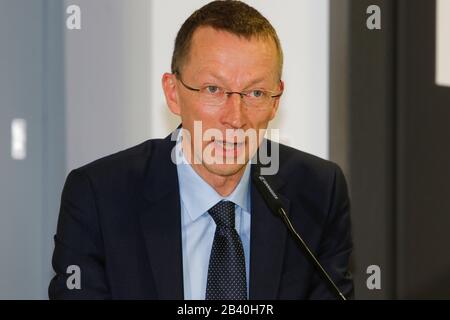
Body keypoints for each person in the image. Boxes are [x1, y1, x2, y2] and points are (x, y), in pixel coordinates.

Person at [49, 0, 353, 300]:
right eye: (213, 90)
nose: (235, 118)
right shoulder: (98, 197)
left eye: (256, 93)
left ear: (275, 102)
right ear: (172, 93)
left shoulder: (318, 193)